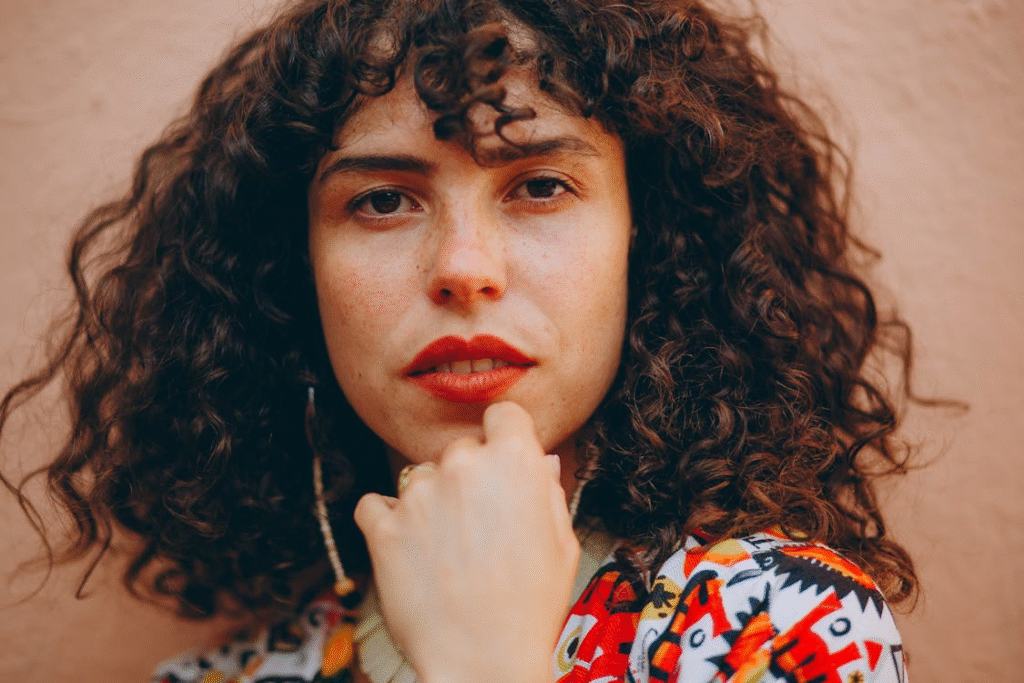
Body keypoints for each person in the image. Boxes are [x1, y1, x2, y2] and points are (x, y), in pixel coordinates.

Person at [0, 0, 920, 681]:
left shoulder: (782, 624)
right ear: (292, 274)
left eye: (540, 186)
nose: (464, 268)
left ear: (655, 239)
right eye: (383, 200)